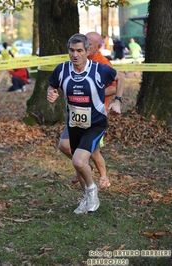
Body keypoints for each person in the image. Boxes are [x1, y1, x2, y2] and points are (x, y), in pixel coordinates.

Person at [47, 33, 124, 214]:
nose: (75, 55)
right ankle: (87, 197)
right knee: (77, 163)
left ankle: (91, 190)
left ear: (87, 51)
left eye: (79, 51)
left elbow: (120, 76)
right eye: (72, 51)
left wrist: (118, 101)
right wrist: (50, 92)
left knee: (79, 160)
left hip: (95, 123)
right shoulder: (62, 70)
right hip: (74, 123)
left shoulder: (98, 69)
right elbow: (52, 85)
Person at [59, 31, 118, 190]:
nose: (80, 49)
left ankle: (104, 177)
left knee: (94, 151)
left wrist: (92, 93)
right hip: (76, 113)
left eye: (88, 45)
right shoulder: (76, 63)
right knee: (64, 145)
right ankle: (83, 166)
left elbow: (115, 86)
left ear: (98, 47)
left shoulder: (103, 64)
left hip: (95, 116)